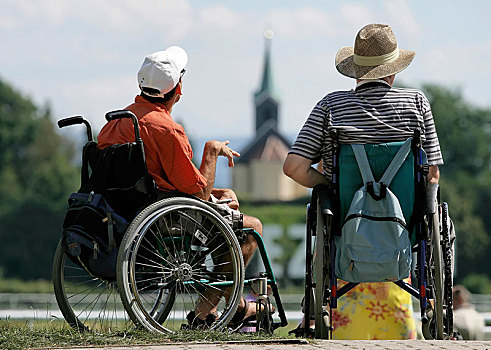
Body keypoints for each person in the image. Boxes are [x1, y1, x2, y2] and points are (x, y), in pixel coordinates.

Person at [284, 23, 443, 339]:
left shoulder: (331, 105)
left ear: (356, 71)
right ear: (393, 71)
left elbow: (294, 167)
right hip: (406, 225)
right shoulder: (416, 103)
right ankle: (429, 304)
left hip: (346, 221)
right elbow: (433, 174)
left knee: (323, 201)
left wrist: (329, 186)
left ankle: (317, 313)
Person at [97, 46, 263, 328]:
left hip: (127, 209)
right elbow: (196, 194)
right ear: (178, 89)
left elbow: (159, 178)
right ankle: (206, 312)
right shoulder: (166, 128)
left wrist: (216, 195)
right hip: (166, 217)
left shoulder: (117, 122)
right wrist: (211, 151)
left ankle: (234, 308)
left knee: (227, 205)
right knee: (251, 228)